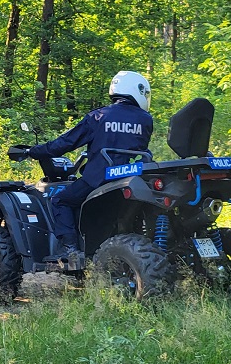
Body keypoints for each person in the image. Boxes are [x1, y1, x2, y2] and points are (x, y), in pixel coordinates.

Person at [25, 70, 154, 259]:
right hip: (131, 178)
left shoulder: (99, 116)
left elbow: (65, 143)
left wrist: (34, 151)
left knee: (60, 200)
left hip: (100, 178)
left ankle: (69, 249)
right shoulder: (145, 119)